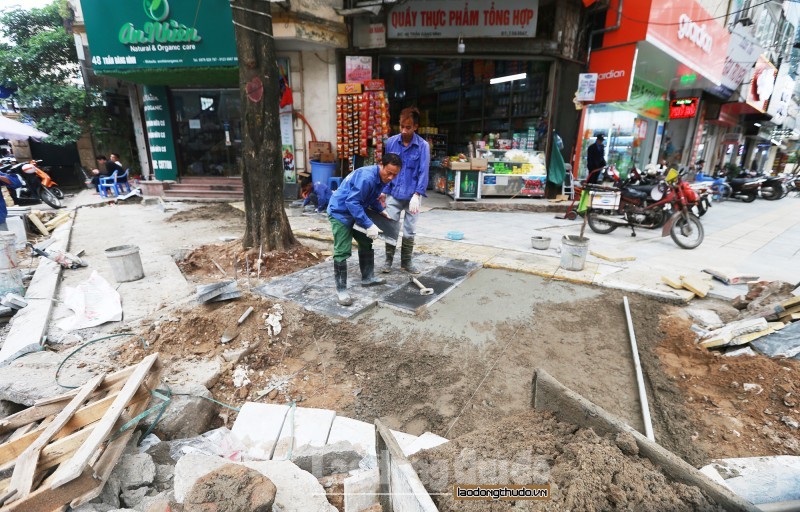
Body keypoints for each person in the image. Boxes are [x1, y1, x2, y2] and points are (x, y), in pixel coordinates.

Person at [327, 153, 402, 306]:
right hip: (340, 212)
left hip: (356, 211)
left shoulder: (379, 178)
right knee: (342, 250)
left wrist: (380, 210)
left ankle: (367, 278)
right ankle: (341, 290)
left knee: (366, 241)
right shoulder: (367, 177)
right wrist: (369, 225)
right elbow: (352, 202)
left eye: (395, 175)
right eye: (389, 173)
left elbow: (371, 197)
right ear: (381, 165)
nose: (390, 178)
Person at [380, 106, 430, 274]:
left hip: (412, 195)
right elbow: (386, 169)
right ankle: (388, 260)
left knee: (410, 229)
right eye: (401, 126)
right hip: (393, 193)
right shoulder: (392, 142)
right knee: (390, 226)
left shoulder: (423, 146)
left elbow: (424, 171)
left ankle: (406, 262)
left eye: (408, 127)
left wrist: (417, 194)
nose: (404, 130)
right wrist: (383, 190)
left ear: (415, 127)